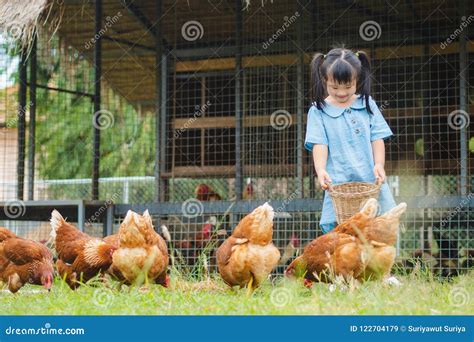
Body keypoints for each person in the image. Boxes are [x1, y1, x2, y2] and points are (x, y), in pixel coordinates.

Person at [304, 47, 396, 233]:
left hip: (369, 179)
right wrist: (320, 169)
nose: (341, 92)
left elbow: (377, 137)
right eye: (335, 87)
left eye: (348, 86)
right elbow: (320, 144)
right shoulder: (319, 111)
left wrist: (379, 164)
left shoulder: (367, 104)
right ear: (325, 81)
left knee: (379, 226)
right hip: (338, 182)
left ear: (357, 80)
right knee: (341, 232)